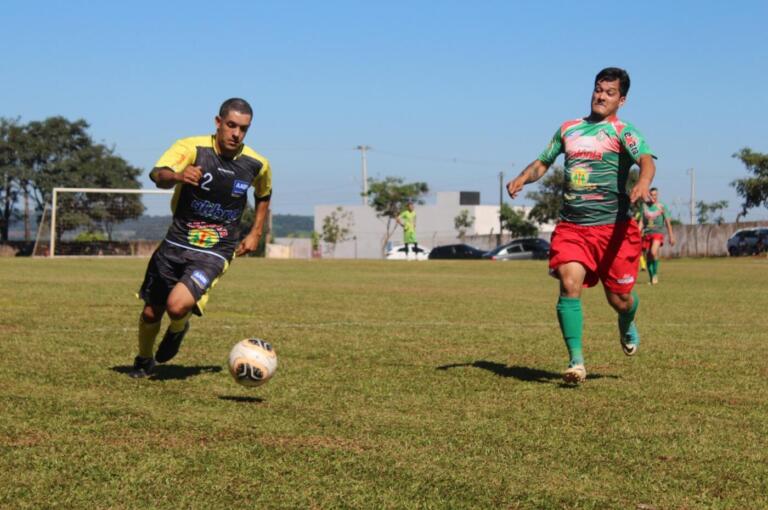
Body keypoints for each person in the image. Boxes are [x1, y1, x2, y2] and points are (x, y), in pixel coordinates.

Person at [507, 67, 656, 384]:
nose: (601, 95)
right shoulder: (569, 129)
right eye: (598, 89)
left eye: (610, 92)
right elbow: (543, 161)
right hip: (573, 227)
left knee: (619, 299)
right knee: (568, 284)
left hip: (614, 230)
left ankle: (627, 319)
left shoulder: (622, 132)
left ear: (622, 99)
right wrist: (523, 176)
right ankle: (576, 362)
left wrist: (643, 183)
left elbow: (646, 159)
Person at [129, 98, 272, 378]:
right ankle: (144, 360)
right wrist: (180, 175)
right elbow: (158, 175)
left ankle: (179, 327)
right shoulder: (192, 148)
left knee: (177, 305)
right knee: (150, 313)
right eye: (231, 126)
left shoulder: (257, 163)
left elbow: (263, 193)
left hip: (216, 249)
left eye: (243, 129)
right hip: (176, 242)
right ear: (218, 123)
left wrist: (255, 232)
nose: (236, 134)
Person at [638, 188, 676, 284]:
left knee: (653, 252)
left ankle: (655, 274)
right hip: (646, 234)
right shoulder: (644, 206)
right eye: (651, 195)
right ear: (648, 195)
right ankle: (652, 277)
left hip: (657, 233)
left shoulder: (662, 206)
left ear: (657, 195)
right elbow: (642, 221)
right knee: (648, 256)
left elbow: (667, 221)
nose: (653, 197)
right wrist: (637, 233)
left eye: (655, 195)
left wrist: (671, 236)